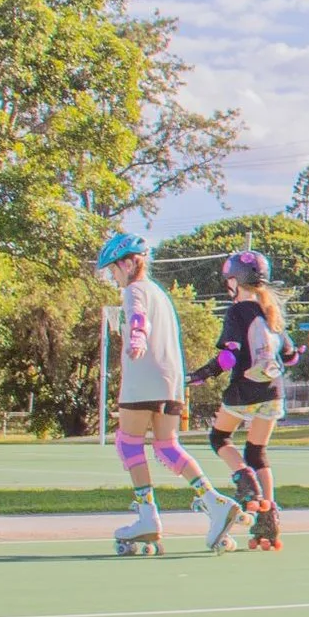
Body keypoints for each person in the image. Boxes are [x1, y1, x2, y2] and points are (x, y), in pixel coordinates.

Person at [96, 232, 241, 555]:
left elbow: (138, 318)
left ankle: (147, 516)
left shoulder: (134, 290)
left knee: (129, 443)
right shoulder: (159, 293)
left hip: (141, 379)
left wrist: (136, 338)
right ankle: (214, 502)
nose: (113, 277)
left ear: (128, 264)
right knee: (167, 445)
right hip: (171, 382)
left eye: (113, 269)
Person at [188, 250, 299, 551]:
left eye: (229, 280)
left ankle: (245, 481)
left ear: (236, 282)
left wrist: (200, 375)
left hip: (244, 389)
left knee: (219, 437)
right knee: (257, 451)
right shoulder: (271, 311)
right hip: (273, 391)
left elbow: (229, 357)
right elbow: (291, 356)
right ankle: (268, 517)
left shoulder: (237, 312)